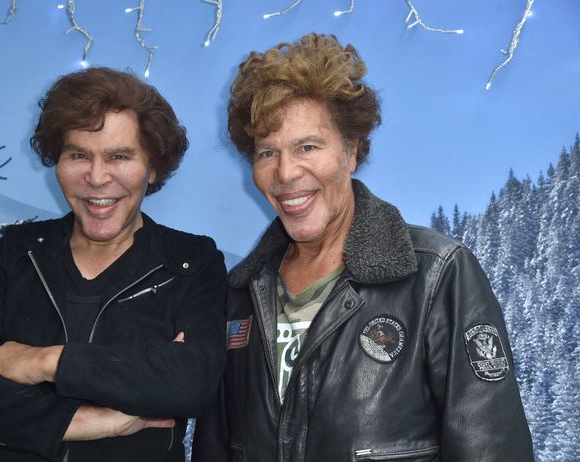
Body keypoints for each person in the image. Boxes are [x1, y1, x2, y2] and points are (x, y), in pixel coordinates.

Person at [193, 34, 534, 461]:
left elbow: (491, 449)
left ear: (351, 151)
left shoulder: (436, 275)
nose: (286, 172)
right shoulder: (241, 294)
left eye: (307, 147)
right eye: (267, 153)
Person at [0, 67, 227, 462]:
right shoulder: (10, 257)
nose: (97, 177)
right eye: (78, 155)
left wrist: (43, 361)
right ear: (57, 161)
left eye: (119, 156)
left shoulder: (191, 263)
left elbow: (192, 382)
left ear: (152, 168)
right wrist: (89, 421)